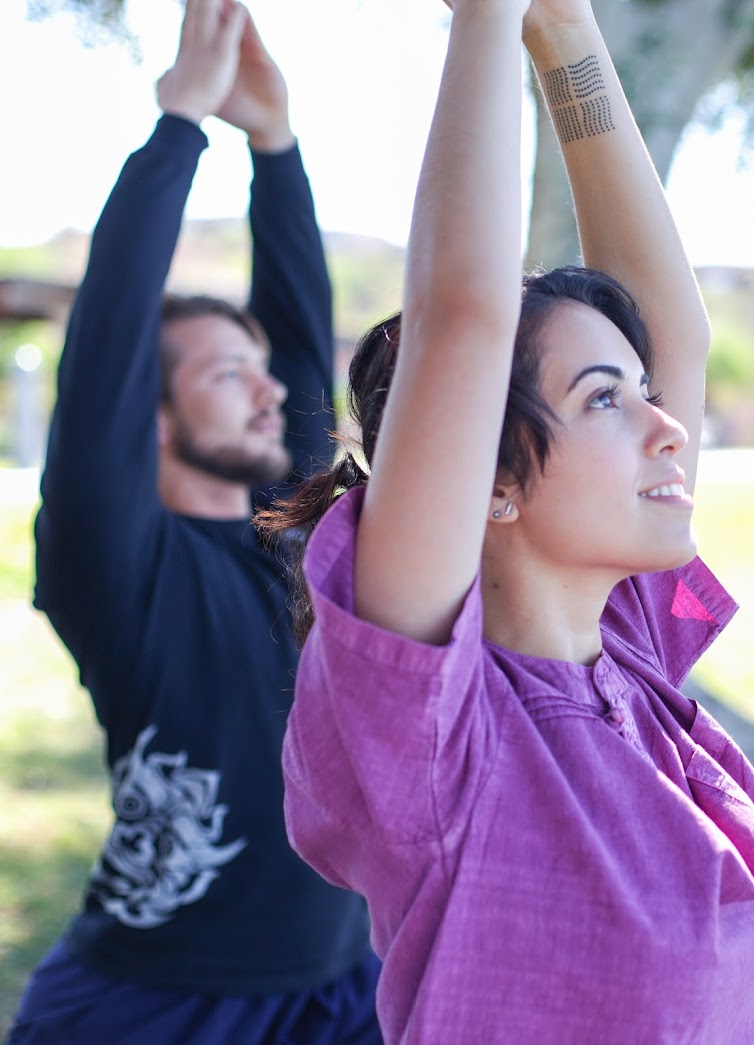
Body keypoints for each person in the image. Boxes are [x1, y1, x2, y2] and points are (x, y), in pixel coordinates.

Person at [261, 0, 754, 1040]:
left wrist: (566, 35)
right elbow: (463, 314)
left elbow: (674, 328)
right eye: (606, 397)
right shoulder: (436, 727)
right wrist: (487, 15)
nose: (666, 427)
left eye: (645, 393)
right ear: (493, 483)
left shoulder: (630, 652)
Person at [7, 2, 381, 1042]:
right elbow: (106, 349)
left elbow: (301, 346)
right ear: (153, 420)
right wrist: (179, 125)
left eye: (261, 372)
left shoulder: (293, 536)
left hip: (349, 982)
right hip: (159, 1003)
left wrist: (276, 145)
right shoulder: (114, 567)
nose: (270, 393)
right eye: (228, 374)